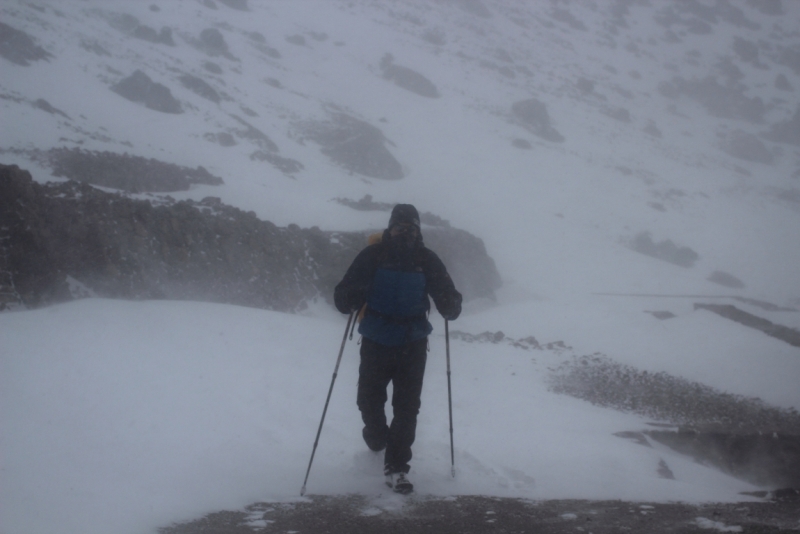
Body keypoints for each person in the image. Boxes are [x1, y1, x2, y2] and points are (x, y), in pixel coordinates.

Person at [334, 204, 462, 494]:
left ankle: (397, 467)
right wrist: (350, 297)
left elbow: (448, 296)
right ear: (389, 229)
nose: (405, 233)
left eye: (411, 228)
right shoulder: (373, 255)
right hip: (376, 339)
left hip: (412, 342)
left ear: (418, 231)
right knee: (368, 400)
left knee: (406, 407)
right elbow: (342, 295)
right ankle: (377, 437)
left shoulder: (426, 259)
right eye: (399, 228)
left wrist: (451, 303)